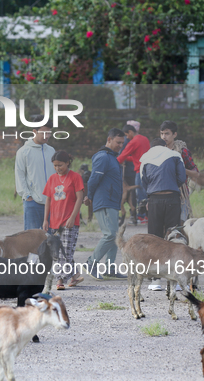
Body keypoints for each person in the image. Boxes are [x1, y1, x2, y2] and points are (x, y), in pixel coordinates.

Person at [140, 138, 187, 291]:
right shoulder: (174, 155)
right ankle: (177, 280)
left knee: (154, 239)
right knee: (175, 237)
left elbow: (144, 181)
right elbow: (182, 178)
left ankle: (155, 281)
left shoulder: (145, 158)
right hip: (172, 198)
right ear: (165, 146)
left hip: (154, 200)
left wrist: (153, 192)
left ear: (151, 147)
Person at [84, 128, 127, 280]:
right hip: (104, 201)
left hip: (113, 202)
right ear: (109, 140)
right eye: (118, 142)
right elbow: (94, 179)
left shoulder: (112, 158)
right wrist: (88, 196)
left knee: (116, 235)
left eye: (122, 143)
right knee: (111, 235)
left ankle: (110, 267)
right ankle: (91, 262)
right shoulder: (102, 157)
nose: (120, 145)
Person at [43, 150, 84, 290]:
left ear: (67, 163)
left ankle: (59, 279)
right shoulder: (52, 179)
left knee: (65, 250)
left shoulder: (75, 177)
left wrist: (73, 217)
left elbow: (80, 198)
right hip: (55, 222)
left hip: (69, 222)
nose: (57, 168)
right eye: (55, 165)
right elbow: (48, 199)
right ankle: (74, 276)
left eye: (60, 165)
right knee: (61, 252)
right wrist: (45, 220)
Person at [15, 124, 55, 230]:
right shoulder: (23, 152)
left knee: (51, 240)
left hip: (52, 202)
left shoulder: (51, 151)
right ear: (34, 131)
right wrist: (27, 196)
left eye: (49, 133)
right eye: (44, 133)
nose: (47, 136)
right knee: (32, 241)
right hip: (33, 202)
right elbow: (20, 176)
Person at [159, 120, 198, 223]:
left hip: (180, 194)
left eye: (167, 133)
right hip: (161, 192)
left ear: (174, 134)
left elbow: (196, 173)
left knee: (181, 223)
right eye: (162, 133)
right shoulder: (158, 151)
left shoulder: (182, 151)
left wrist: (180, 169)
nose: (164, 137)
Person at [117, 123, 150, 224]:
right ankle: (148, 216)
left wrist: (112, 162)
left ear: (130, 132)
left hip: (140, 171)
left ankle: (142, 216)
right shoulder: (145, 139)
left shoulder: (133, 142)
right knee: (147, 193)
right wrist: (126, 159)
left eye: (127, 135)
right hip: (149, 169)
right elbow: (138, 156)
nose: (127, 137)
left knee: (140, 195)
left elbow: (122, 156)